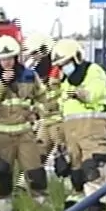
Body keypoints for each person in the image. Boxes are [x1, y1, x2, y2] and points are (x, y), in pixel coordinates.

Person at [0, 34, 46, 211]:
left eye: (10, 58)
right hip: (0, 136)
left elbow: (43, 97)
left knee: (36, 175)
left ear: (16, 57)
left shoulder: (30, 76)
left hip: (24, 134)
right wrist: (2, 84)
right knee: (3, 178)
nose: (7, 62)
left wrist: (36, 112)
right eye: (3, 59)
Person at [50, 38, 106, 211]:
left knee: (91, 166)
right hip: (71, 131)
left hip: (91, 126)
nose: (64, 68)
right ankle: (78, 199)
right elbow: (61, 108)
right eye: (60, 66)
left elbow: (97, 92)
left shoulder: (92, 71)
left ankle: (96, 205)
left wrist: (80, 93)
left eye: (66, 64)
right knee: (75, 169)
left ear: (76, 59)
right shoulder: (66, 81)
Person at [28, 34, 68, 194]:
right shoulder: (37, 71)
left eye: (35, 53)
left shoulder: (59, 68)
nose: (34, 57)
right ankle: (36, 193)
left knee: (65, 160)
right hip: (44, 121)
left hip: (60, 121)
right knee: (36, 158)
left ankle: (72, 197)